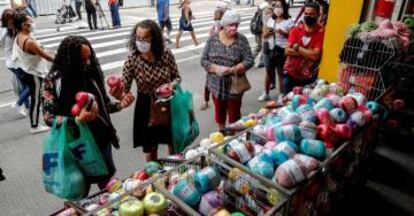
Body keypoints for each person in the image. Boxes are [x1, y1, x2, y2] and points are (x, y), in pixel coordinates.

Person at [42, 36, 134, 197]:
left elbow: (103, 107)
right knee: (78, 189)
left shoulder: (92, 73)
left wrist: (120, 104)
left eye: (89, 57)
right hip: (75, 145)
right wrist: (76, 120)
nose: (87, 62)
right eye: (82, 59)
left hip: (101, 140)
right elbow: (48, 117)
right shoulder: (53, 80)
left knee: (107, 186)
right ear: (70, 59)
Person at [113, 20, 181, 162]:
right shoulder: (132, 59)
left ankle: (175, 168)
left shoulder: (165, 54)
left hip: (168, 103)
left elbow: (177, 77)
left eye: (145, 38)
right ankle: (153, 175)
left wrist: (171, 86)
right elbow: (124, 88)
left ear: (154, 38)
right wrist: (118, 93)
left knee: (172, 141)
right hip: (145, 105)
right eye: (138, 38)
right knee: (151, 147)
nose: (140, 41)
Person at [201, 10, 254, 130]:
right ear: (223, 25)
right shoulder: (213, 39)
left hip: (235, 86)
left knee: (234, 117)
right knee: (220, 115)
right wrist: (215, 68)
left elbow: (249, 60)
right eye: (231, 25)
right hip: (216, 85)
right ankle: (222, 134)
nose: (234, 28)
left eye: (236, 25)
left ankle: (234, 139)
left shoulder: (242, 40)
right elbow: (203, 60)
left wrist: (234, 69)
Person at [12, 12, 54, 133]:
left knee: (38, 96)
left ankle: (39, 117)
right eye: (30, 21)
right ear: (23, 25)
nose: (32, 23)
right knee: (36, 100)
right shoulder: (29, 42)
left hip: (27, 70)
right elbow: (46, 56)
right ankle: (34, 126)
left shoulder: (19, 35)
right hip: (34, 73)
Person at [283, 2, 324, 94]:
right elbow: (287, 51)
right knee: (286, 102)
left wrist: (297, 47)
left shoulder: (321, 32)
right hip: (290, 73)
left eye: (311, 14)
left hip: (307, 77)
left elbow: (315, 56)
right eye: (306, 14)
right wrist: (308, 52)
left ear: (318, 15)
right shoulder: (296, 29)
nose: (308, 16)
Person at [259, 0, 293, 101]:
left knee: (280, 73)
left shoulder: (289, 21)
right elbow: (264, 34)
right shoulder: (271, 20)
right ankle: (266, 93)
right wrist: (268, 33)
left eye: (280, 6)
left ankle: (281, 94)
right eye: (276, 6)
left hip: (282, 50)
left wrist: (283, 32)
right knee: (269, 72)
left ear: (284, 8)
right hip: (270, 48)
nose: (277, 8)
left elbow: (292, 36)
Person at [0, 9, 29, 116]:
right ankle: (18, 103)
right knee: (32, 85)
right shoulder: (14, 30)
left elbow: (1, 43)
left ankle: (27, 106)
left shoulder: (5, 30)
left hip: (10, 62)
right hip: (16, 62)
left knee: (24, 84)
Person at [201, 8, 225, 111]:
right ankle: (206, 101)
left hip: (222, 60)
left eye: (219, 18)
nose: (217, 21)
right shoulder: (213, 28)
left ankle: (222, 102)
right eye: (215, 18)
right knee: (208, 83)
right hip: (212, 60)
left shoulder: (225, 29)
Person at [250, 1, 268, 68]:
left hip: (257, 29)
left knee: (258, 46)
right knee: (263, 46)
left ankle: (250, 60)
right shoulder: (267, 6)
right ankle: (261, 61)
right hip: (261, 30)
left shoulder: (261, 5)